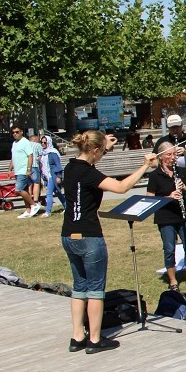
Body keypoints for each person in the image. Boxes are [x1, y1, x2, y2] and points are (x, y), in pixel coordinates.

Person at [62, 130, 157, 353]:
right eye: (102, 152)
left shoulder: (71, 167)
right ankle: (95, 340)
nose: (103, 154)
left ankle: (77, 337)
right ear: (95, 150)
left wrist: (106, 146)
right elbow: (121, 187)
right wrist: (145, 165)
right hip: (89, 236)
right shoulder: (88, 173)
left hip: (68, 234)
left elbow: (91, 161)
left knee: (79, 287)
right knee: (95, 290)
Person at [148, 138, 186, 291]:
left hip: (183, 215)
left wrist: (185, 189)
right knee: (169, 248)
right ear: (161, 157)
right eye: (169, 155)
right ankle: (173, 282)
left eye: (174, 155)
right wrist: (168, 197)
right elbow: (150, 199)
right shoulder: (155, 176)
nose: (173, 158)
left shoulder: (180, 171)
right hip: (165, 217)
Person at [153, 114, 186, 250]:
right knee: (175, 216)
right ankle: (178, 246)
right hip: (170, 186)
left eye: (177, 127)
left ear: (182, 126)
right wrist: (167, 156)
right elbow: (153, 163)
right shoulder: (162, 142)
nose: (175, 130)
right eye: (172, 128)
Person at [10, 126, 40, 218]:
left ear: (22, 132)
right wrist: (9, 168)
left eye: (17, 132)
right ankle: (28, 210)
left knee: (19, 190)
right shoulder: (14, 143)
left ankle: (34, 205)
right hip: (17, 170)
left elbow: (30, 156)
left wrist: (28, 169)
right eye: (13, 132)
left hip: (23, 170)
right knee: (25, 190)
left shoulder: (25, 142)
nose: (15, 134)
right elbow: (13, 156)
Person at [39, 135, 66, 217]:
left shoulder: (53, 153)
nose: (43, 144)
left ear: (49, 142)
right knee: (57, 192)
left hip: (53, 175)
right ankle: (67, 207)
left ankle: (47, 212)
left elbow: (58, 165)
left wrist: (58, 176)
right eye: (42, 142)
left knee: (49, 193)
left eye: (45, 142)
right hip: (47, 176)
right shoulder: (43, 153)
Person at [28, 134, 43, 206]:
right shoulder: (38, 145)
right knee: (36, 183)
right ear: (35, 139)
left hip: (26, 167)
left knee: (29, 184)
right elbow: (41, 156)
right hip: (34, 165)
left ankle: (29, 199)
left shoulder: (25, 145)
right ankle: (36, 200)